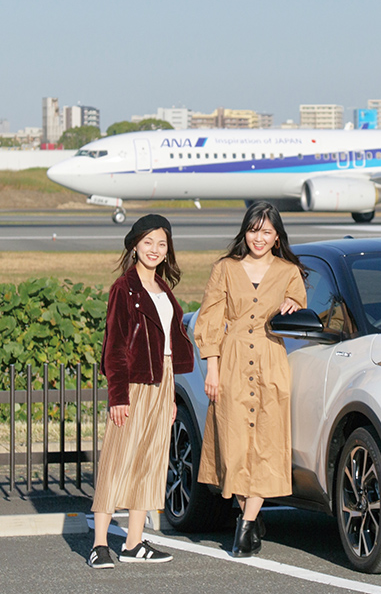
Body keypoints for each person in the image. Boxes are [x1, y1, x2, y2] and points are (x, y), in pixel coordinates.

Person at [195, 201, 306, 557]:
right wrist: (211, 367)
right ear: (245, 232)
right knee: (234, 445)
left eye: (267, 232)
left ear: (277, 237)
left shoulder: (289, 271)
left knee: (266, 445)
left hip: (271, 362)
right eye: (254, 231)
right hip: (231, 360)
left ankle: (245, 527)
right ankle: (251, 515)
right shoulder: (225, 269)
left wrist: (293, 303)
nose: (260, 238)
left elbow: (300, 307)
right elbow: (210, 319)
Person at [88, 214, 194, 569]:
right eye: (148, 242)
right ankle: (100, 543)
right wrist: (118, 396)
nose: (155, 249)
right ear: (134, 245)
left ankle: (133, 542)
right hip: (133, 382)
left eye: (161, 244)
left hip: (161, 382)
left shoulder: (164, 289)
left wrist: (170, 395)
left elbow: (168, 343)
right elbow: (114, 346)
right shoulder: (124, 288)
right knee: (118, 460)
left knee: (150, 461)